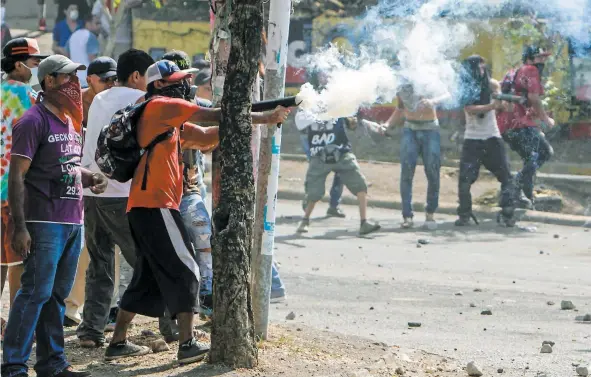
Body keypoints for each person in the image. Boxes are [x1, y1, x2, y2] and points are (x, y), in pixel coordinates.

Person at [103, 60, 290, 363]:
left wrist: (263, 118)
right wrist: (266, 115)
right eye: (177, 79)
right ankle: (187, 344)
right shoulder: (160, 106)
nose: (184, 84)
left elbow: (206, 136)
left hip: (148, 206)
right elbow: (214, 115)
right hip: (155, 204)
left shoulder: (168, 119)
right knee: (188, 268)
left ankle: (118, 342)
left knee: (145, 279)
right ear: (159, 84)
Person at [2, 54, 108, 377]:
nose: (74, 85)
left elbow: (65, 164)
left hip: (71, 219)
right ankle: (14, 365)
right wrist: (19, 227)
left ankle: (52, 363)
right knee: (35, 291)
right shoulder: (33, 121)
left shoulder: (69, 122)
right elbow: (17, 176)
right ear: (48, 81)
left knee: (56, 297)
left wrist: (88, 176)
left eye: (76, 78)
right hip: (44, 221)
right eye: (67, 78)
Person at [76, 49, 155, 348]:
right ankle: (172, 326)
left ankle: (91, 331)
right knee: (148, 261)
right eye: (147, 76)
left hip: (90, 191)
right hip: (119, 193)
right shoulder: (137, 100)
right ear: (136, 76)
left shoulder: (99, 98)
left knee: (100, 264)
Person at [64, 56, 118, 327]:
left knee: (108, 249)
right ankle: (71, 307)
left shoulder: (115, 103)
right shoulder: (74, 104)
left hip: (106, 183)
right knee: (82, 247)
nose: (109, 83)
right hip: (74, 182)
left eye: (113, 79)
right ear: (90, 80)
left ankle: (107, 308)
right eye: (104, 79)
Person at [161, 50, 214, 322]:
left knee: (203, 237)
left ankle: (207, 295)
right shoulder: (157, 106)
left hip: (191, 187)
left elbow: (208, 140)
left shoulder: (199, 104)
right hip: (167, 191)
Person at [0, 37, 48, 340]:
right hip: (16, 192)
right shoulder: (31, 100)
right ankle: (18, 328)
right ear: (19, 64)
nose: (37, 67)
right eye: (34, 61)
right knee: (19, 260)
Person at [295, 110, 380, 236]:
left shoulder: (340, 106)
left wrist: (350, 119)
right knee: (314, 193)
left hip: (342, 153)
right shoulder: (308, 110)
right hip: (319, 155)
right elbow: (300, 123)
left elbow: (352, 124)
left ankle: (364, 223)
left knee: (361, 185)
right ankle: (305, 221)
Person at [455, 55, 516, 227]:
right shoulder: (465, 88)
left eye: (483, 67)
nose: (482, 71)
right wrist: (492, 106)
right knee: (465, 181)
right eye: (478, 68)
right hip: (472, 139)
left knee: (506, 177)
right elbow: (470, 109)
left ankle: (508, 213)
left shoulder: (493, 84)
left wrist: (504, 99)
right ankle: (464, 215)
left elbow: (505, 108)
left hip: (492, 136)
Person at [382, 80, 449, 230]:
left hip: (430, 130)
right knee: (406, 172)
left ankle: (430, 213)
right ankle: (407, 216)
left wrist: (432, 101)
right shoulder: (401, 86)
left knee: (432, 171)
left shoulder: (426, 78)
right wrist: (387, 124)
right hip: (409, 129)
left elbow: (447, 94)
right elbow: (400, 109)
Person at [498, 45, 554, 209]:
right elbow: (534, 98)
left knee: (530, 159)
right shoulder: (530, 70)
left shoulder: (513, 71)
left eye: (544, 57)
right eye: (539, 57)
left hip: (506, 125)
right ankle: (512, 188)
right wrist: (546, 119)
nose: (543, 61)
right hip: (518, 124)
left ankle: (526, 200)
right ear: (529, 59)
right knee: (544, 152)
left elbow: (522, 101)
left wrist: (535, 126)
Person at [299, 123, 345, 218]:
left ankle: (334, 206)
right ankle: (309, 197)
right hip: (312, 135)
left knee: (340, 171)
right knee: (316, 168)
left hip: (331, 136)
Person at [66, 15, 101, 88]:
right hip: (87, 81)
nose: (99, 26)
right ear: (88, 23)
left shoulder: (73, 35)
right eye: (97, 23)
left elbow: (67, 55)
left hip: (74, 79)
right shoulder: (90, 36)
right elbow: (93, 60)